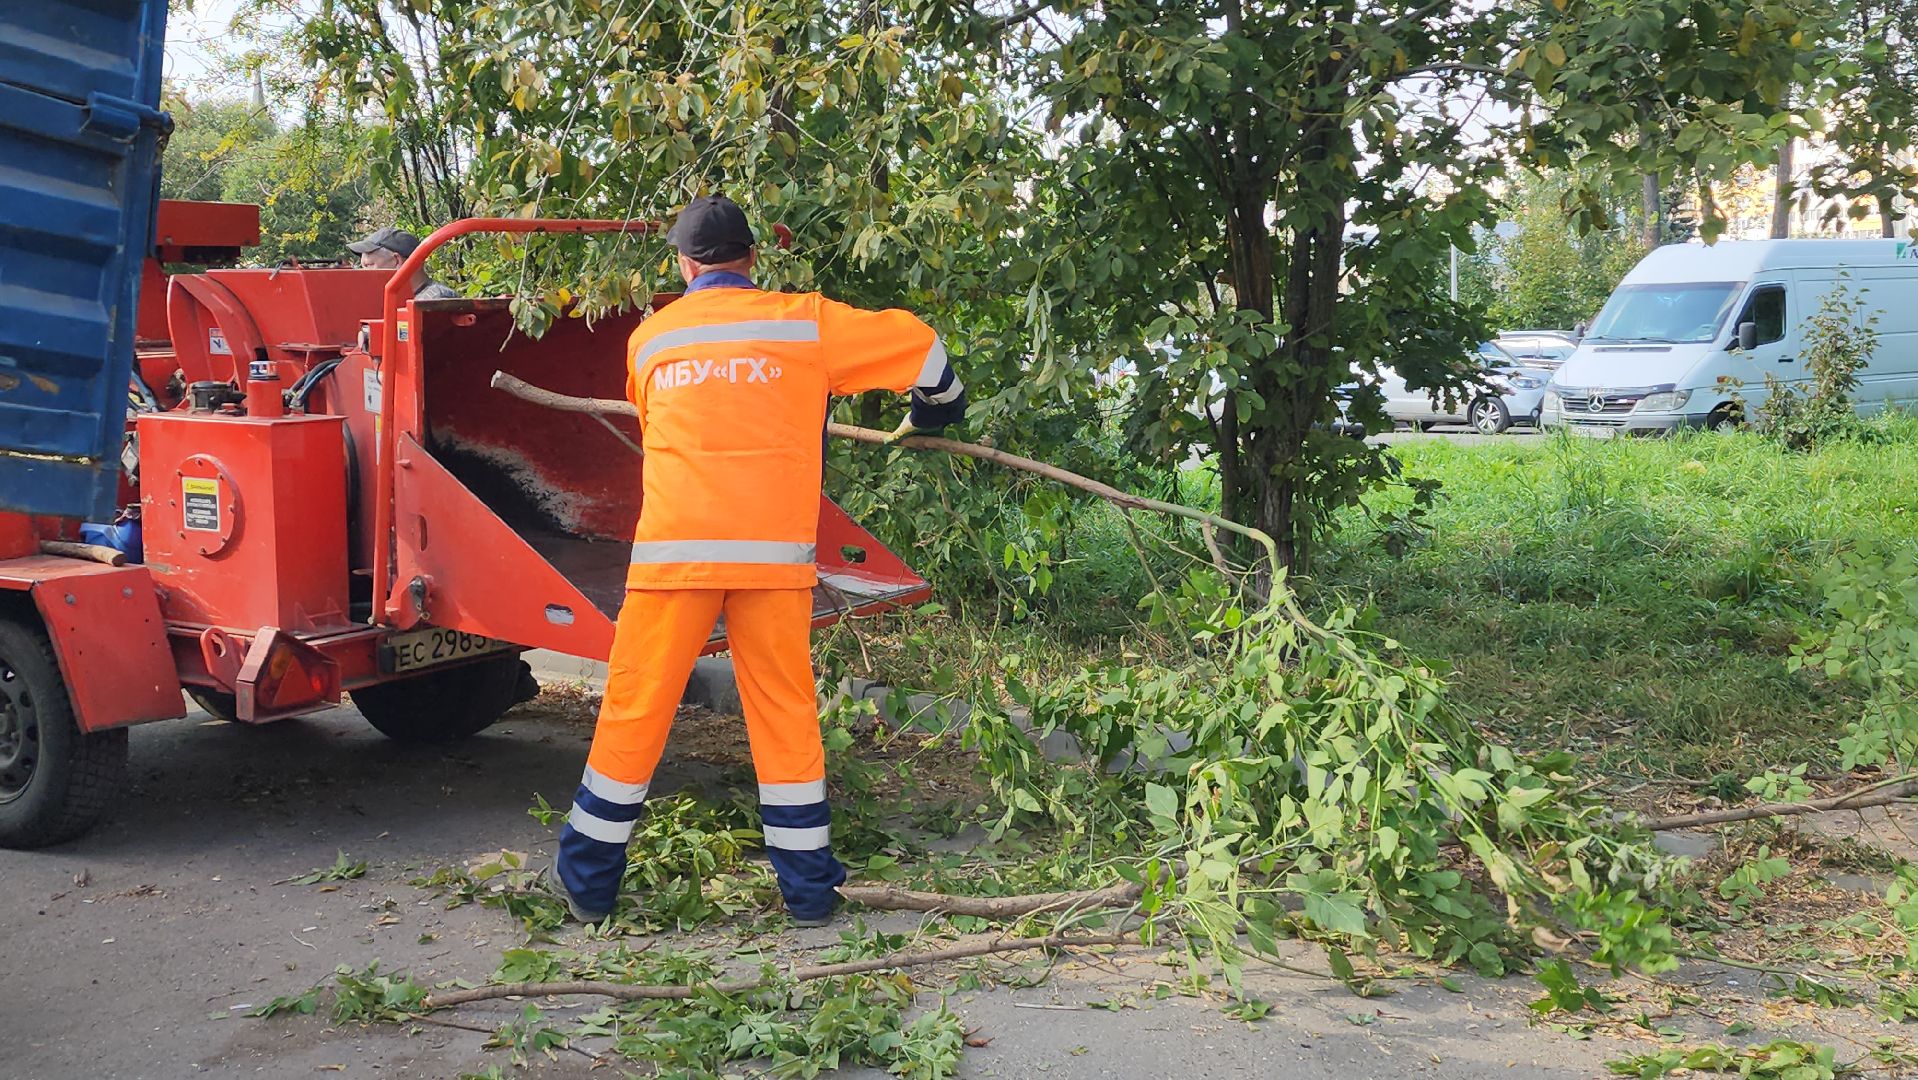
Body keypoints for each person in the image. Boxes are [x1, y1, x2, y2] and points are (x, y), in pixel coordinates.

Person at [551, 195, 965, 927]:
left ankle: (588, 881)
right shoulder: (803, 321)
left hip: (674, 559)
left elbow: (658, 424)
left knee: (636, 707)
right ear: (751, 258)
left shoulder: (649, 340)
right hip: (772, 559)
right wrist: (936, 411)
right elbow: (923, 349)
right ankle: (808, 892)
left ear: (682, 264)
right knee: (784, 714)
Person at [347, 226, 459, 299]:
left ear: (396, 261)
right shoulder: (393, 300)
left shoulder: (436, 298)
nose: (363, 273)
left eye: (369, 265)